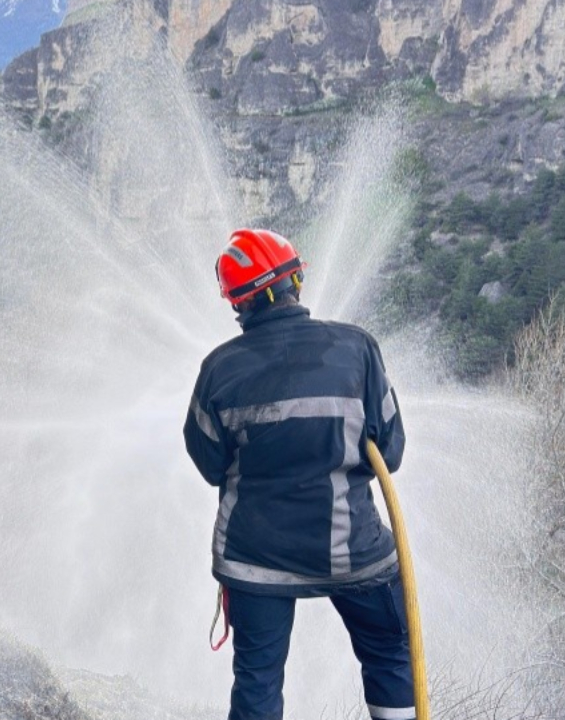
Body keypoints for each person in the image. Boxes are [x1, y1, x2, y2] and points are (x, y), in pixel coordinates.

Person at [183, 228, 413, 720]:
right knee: (391, 654)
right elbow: (389, 451)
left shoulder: (218, 370)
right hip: (353, 552)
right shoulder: (358, 350)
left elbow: (208, 463)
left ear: (238, 304)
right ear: (295, 282)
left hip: (254, 559)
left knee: (257, 681)